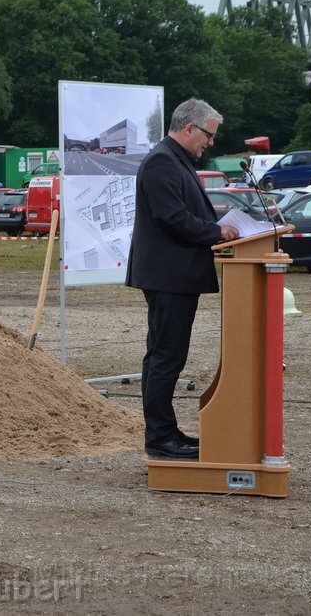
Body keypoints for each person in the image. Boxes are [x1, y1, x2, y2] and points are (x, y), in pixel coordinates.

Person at [125, 98, 239, 460]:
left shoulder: (176, 160)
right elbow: (171, 217)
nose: (210, 143)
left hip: (175, 275)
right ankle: (159, 439)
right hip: (168, 276)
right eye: (208, 135)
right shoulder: (162, 160)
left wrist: (216, 225)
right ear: (189, 128)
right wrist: (215, 232)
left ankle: (167, 430)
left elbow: (183, 212)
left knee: (166, 356)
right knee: (165, 358)